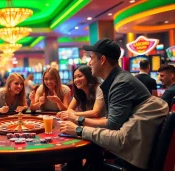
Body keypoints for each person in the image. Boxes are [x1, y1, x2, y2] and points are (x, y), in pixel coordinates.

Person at [59, 38, 168, 171]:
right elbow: (114, 123)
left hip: (132, 161)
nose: (89, 62)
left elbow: (115, 129)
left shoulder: (121, 83)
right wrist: (79, 121)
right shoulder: (118, 80)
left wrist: (78, 128)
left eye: (92, 58)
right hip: (133, 153)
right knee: (88, 158)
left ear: (103, 60)